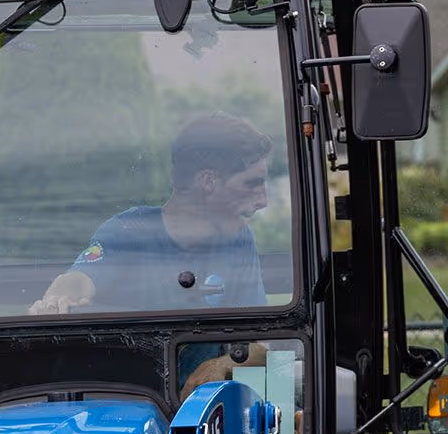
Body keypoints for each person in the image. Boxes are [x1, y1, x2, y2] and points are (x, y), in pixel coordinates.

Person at [29, 113, 273, 316]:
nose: (263, 201)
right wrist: (58, 298)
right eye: (252, 184)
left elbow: (259, 340)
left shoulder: (239, 239)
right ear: (208, 181)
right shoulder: (130, 230)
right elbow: (80, 279)